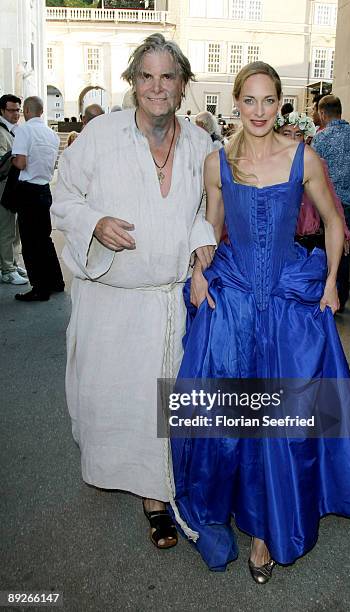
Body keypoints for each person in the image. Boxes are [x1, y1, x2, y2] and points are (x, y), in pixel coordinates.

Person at [171, 62, 350, 583]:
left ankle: (266, 532)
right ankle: (236, 503)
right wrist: (199, 270)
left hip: (288, 295)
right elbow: (211, 227)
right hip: (237, 293)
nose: (260, 111)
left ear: (280, 103)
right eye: (250, 101)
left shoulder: (303, 157)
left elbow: (334, 221)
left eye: (269, 101)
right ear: (237, 104)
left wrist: (332, 282)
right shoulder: (216, 163)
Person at [51, 33, 216, 549]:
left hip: (169, 302)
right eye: (147, 76)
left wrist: (201, 248)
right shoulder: (100, 134)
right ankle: (123, 471)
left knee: (161, 403)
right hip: (115, 302)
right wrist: (95, 221)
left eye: (168, 76)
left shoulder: (200, 144)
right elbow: (62, 194)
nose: (157, 87)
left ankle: (155, 495)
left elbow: (201, 213)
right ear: (133, 83)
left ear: (183, 84)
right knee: (117, 402)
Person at [312, 95, 350, 310]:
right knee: (345, 250)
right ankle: (342, 297)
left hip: (326, 204)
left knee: (325, 248)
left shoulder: (321, 138)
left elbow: (311, 171)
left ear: (322, 113)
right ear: (340, 111)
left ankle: (324, 294)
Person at [275, 111, 350, 253]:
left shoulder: (316, 164)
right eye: (286, 133)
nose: (292, 139)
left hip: (310, 241)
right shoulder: (268, 166)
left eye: (298, 134)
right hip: (279, 243)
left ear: (304, 138)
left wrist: (343, 233)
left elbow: (333, 201)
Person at [11, 96, 64, 302]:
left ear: (25, 110)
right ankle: (56, 282)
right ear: (41, 111)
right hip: (44, 189)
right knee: (44, 239)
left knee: (30, 243)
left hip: (28, 191)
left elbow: (21, 163)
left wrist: (13, 159)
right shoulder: (51, 134)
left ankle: (39, 288)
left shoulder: (24, 130)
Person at [0, 94, 28, 286]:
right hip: (3, 187)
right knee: (6, 229)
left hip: (14, 187)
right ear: (2, 111)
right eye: (12, 110)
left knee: (16, 229)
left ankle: (13, 262)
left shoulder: (15, 129)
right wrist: (14, 155)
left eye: (18, 110)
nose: (16, 113)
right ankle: (7, 269)